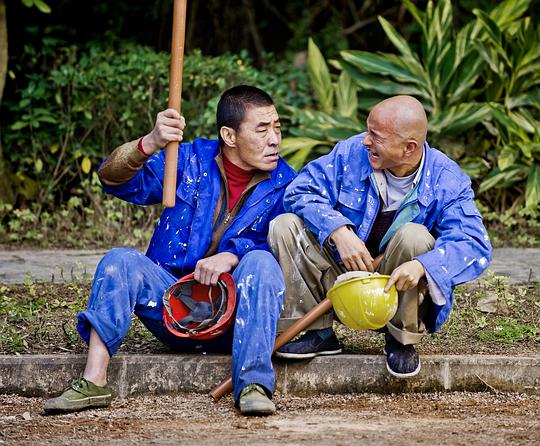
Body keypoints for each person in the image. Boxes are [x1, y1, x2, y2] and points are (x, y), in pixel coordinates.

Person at [44, 85, 296, 415]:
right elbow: (112, 179)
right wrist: (149, 143)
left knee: (261, 261)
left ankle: (253, 385)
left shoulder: (287, 182)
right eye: (262, 130)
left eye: (277, 128)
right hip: (171, 308)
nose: (274, 139)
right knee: (119, 260)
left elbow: (287, 248)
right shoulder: (187, 160)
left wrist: (234, 255)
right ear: (229, 135)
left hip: (238, 319)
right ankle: (93, 381)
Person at [268, 95, 492, 377]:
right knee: (284, 224)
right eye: (367, 131)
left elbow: (474, 243)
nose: (365, 141)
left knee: (415, 237)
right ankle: (316, 331)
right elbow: (300, 191)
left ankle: (401, 339)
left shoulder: (446, 179)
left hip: (394, 288)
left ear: (409, 148)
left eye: (375, 135)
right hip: (338, 278)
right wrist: (337, 229)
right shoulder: (350, 153)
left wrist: (424, 266)